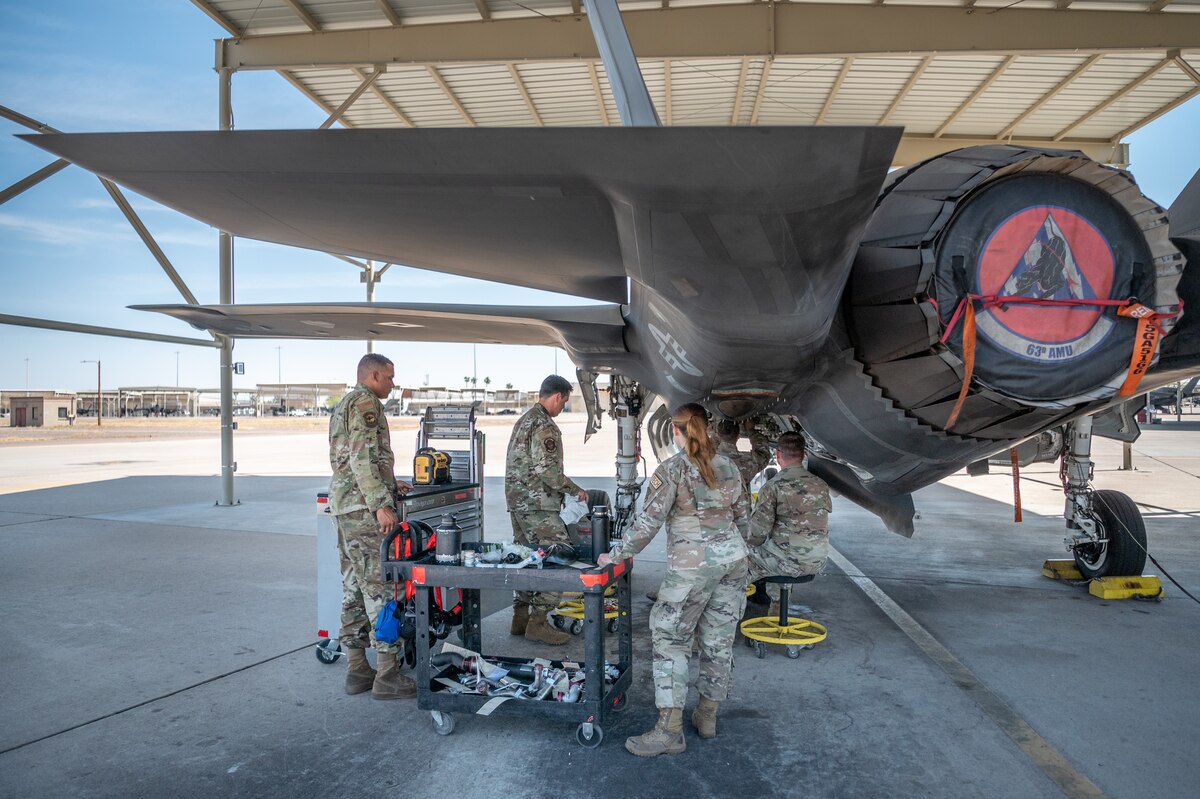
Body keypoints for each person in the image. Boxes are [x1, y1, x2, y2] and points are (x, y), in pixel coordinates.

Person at [598, 403, 751, 756]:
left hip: (692, 568)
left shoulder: (674, 470)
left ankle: (669, 732)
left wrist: (615, 555)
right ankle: (707, 717)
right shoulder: (729, 465)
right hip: (732, 563)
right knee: (717, 642)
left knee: (670, 642)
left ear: (676, 431)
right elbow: (745, 519)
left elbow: (647, 525)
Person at [328, 353, 415, 699]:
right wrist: (381, 503)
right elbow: (362, 457)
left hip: (346, 506)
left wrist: (392, 484)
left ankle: (357, 669)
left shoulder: (346, 402)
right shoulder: (366, 402)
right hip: (364, 510)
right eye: (391, 378)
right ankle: (387, 674)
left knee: (353, 586)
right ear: (374, 375)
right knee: (380, 586)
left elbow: (358, 460)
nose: (393, 385)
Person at [505, 374, 589, 646]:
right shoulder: (544, 426)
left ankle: (520, 616)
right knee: (559, 557)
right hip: (537, 504)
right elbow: (548, 471)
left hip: (518, 503)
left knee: (526, 558)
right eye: (563, 402)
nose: (561, 408)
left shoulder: (525, 420)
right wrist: (574, 489)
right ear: (556, 396)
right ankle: (538, 622)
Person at [746, 432, 831, 617]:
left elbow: (757, 534)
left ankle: (721, 622)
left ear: (777, 455)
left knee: (737, 562)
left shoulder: (773, 486)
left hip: (789, 563)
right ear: (804, 454)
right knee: (778, 550)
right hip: (818, 561)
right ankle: (777, 609)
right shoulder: (821, 485)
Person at [714, 418, 771, 491]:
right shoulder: (749, 462)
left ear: (718, 435)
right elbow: (764, 454)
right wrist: (751, 431)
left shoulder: (705, 460)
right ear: (738, 436)